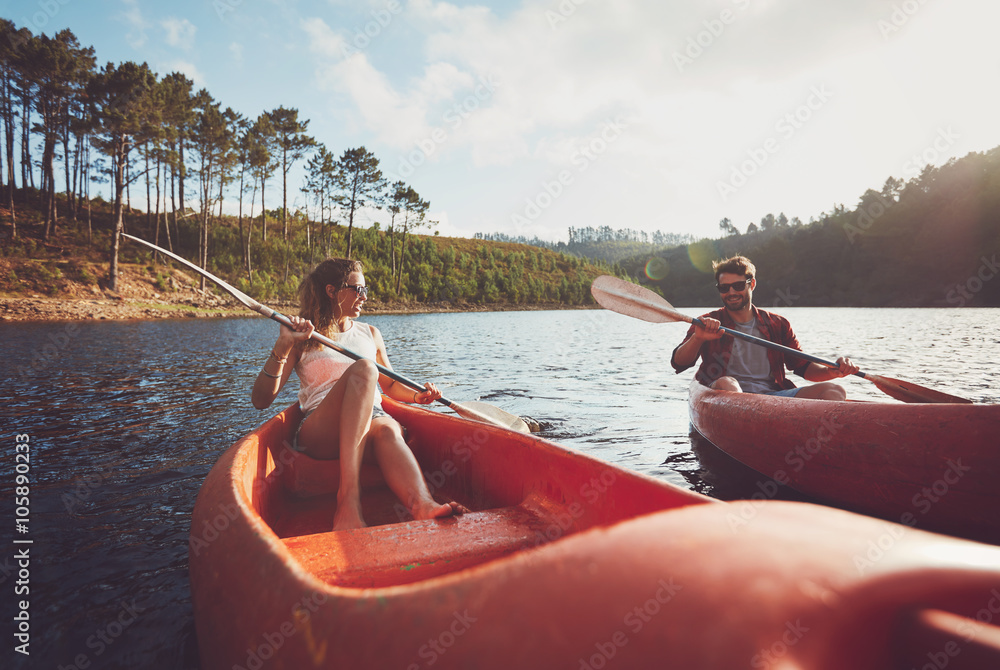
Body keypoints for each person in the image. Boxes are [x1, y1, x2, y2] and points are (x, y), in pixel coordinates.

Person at [251, 257, 464, 530]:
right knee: (365, 370)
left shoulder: (370, 333)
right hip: (321, 428)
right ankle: (348, 501)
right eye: (358, 289)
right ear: (332, 291)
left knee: (387, 429)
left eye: (365, 290)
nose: (365, 297)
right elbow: (260, 400)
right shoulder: (303, 336)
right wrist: (283, 345)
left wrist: (417, 396)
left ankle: (423, 504)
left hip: (372, 421)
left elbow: (391, 386)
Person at [671, 255, 859, 399]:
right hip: (726, 397)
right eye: (724, 288)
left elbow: (803, 368)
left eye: (738, 286)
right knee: (728, 383)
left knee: (834, 391)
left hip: (773, 396)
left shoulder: (778, 324)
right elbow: (679, 362)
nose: (731, 292)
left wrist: (832, 371)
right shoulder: (706, 322)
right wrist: (698, 338)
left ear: (751, 284)